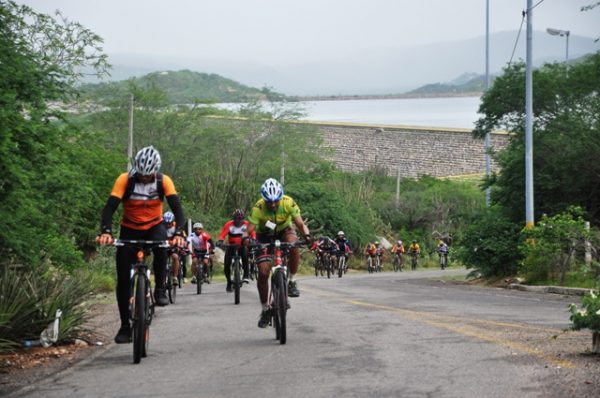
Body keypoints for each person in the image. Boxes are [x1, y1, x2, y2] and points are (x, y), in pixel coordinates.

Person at [96, 146, 186, 344]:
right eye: (142, 175)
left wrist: (179, 233)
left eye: (149, 175)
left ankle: (160, 289)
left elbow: (178, 210)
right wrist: (106, 231)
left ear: (155, 170)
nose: (145, 178)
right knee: (123, 279)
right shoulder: (124, 180)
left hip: (154, 226)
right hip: (129, 228)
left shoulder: (164, 181)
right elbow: (109, 208)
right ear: (136, 168)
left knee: (163, 248)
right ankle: (125, 326)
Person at [246, 178, 311, 329]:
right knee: (263, 272)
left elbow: (300, 224)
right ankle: (265, 309)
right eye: (270, 202)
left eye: (276, 201)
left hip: (284, 231)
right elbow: (249, 229)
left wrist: (308, 237)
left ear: (281, 197)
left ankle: (292, 281)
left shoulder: (288, 202)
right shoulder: (259, 207)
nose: (273, 204)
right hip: (264, 235)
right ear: (264, 199)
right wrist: (245, 239)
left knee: (294, 244)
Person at [217, 209, 256, 292]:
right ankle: (228, 282)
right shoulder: (229, 224)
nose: (238, 221)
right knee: (227, 264)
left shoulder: (246, 224)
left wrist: (253, 239)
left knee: (245, 254)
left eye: (240, 219)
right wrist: (220, 241)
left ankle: (246, 275)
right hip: (231, 246)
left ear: (243, 219)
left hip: (242, 246)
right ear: (233, 218)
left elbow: (253, 233)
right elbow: (222, 235)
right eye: (236, 219)